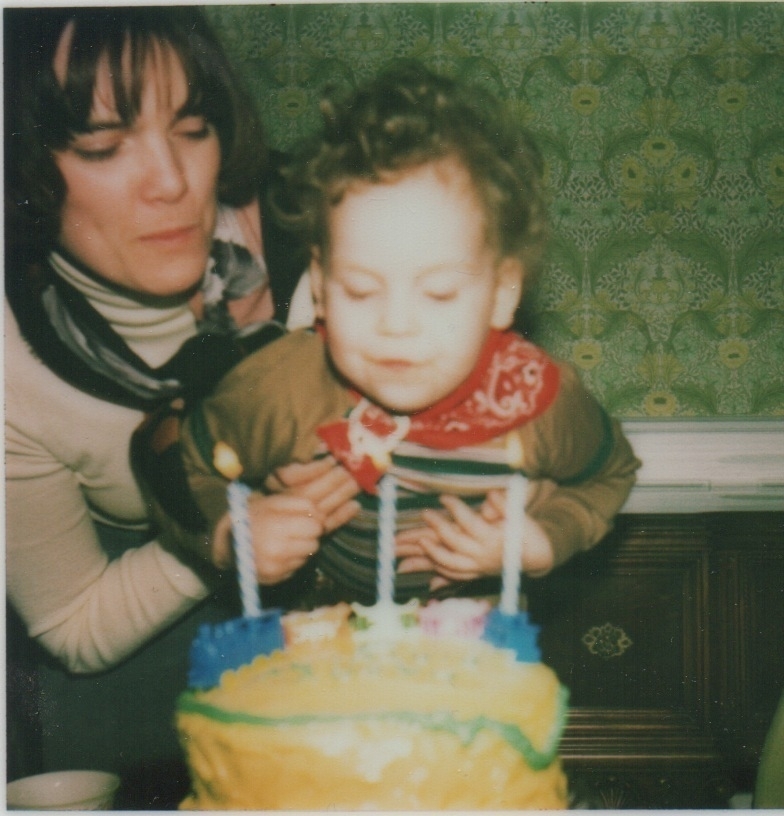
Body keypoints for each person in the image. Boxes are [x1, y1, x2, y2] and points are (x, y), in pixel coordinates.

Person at [3, 7, 357, 803]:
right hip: (145, 699)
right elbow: (75, 626)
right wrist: (219, 543)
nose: (172, 182)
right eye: (102, 145)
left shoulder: (320, 226)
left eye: (193, 128)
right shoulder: (10, 368)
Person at [176, 63, 642, 608]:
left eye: (439, 293)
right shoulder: (280, 388)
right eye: (360, 290)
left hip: (473, 637)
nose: (395, 325)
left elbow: (610, 475)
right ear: (321, 286)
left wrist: (541, 540)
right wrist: (233, 531)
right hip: (324, 626)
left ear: (502, 293)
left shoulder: (541, 401)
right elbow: (191, 467)